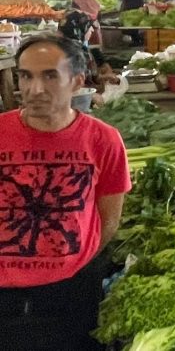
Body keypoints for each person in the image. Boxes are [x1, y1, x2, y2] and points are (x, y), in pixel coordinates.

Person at [0, 35, 130, 349]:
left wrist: (72, 261)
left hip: (73, 292)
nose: (35, 89)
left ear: (76, 81)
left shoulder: (103, 140)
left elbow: (108, 220)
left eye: (49, 76)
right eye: (25, 76)